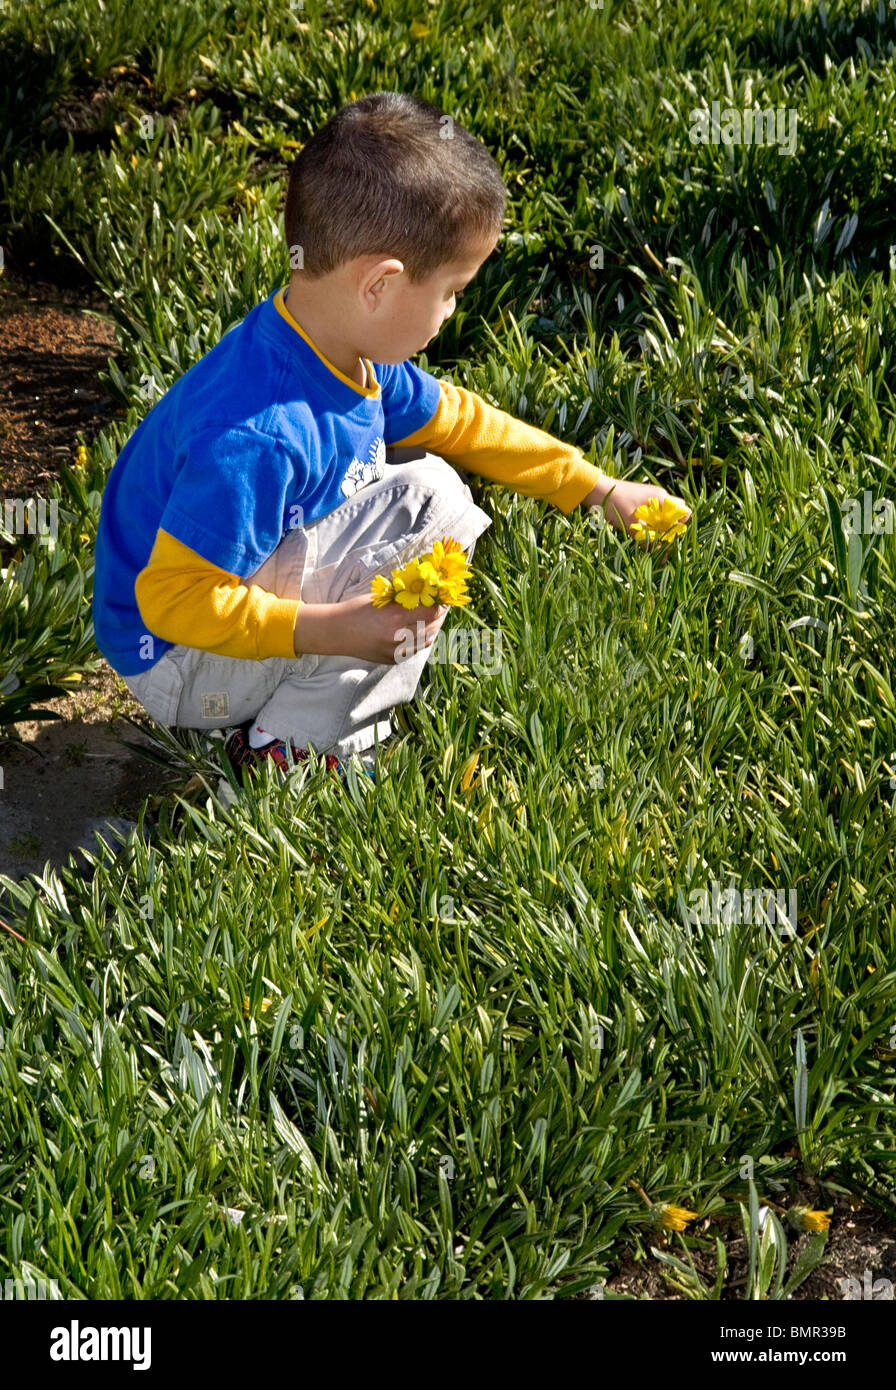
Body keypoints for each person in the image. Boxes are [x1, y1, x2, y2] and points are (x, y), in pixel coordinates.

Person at [92, 91, 691, 784]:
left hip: (194, 630)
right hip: (176, 660)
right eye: (452, 291)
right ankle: (290, 750)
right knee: (436, 506)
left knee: (430, 487)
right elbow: (172, 599)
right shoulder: (259, 434)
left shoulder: (336, 350)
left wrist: (599, 489)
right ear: (380, 285)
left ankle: (292, 704)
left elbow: (464, 423)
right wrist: (334, 629)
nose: (453, 311)